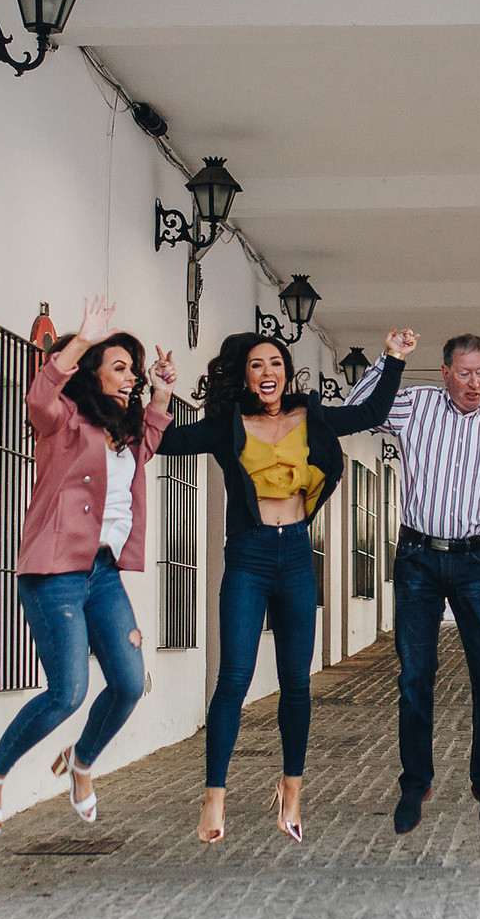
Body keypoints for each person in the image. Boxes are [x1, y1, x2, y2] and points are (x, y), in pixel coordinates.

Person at [159, 327, 414, 843]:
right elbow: (164, 440)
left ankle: (292, 790)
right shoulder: (226, 425)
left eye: (275, 362)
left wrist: (392, 360)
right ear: (244, 376)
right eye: (256, 365)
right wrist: (161, 395)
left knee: (297, 681)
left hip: (297, 553)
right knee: (234, 677)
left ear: (286, 371)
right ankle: (214, 797)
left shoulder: (310, 417)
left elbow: (366, 415)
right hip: (249, 556)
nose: (268, 372)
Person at [0, 296, 178, 836]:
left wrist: (163, 388)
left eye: (132, 368)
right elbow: (39, 397)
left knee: (129, 683)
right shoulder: (63, 424)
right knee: (68, 692)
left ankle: (80, 762)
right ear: (92, 371)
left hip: (103, 575)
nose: (129, 378)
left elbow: (150, 437)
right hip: (56, 573)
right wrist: (81, 340)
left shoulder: (124, 435)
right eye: (120, 367)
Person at [347, 333, 480, 837]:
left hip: (476, 561)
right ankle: (415, 783)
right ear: (444, 372)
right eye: (465, 373)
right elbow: (355, 410)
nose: (475, 383)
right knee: (415, 676)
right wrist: (389, 360)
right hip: (417, 558)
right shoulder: (416, 404)